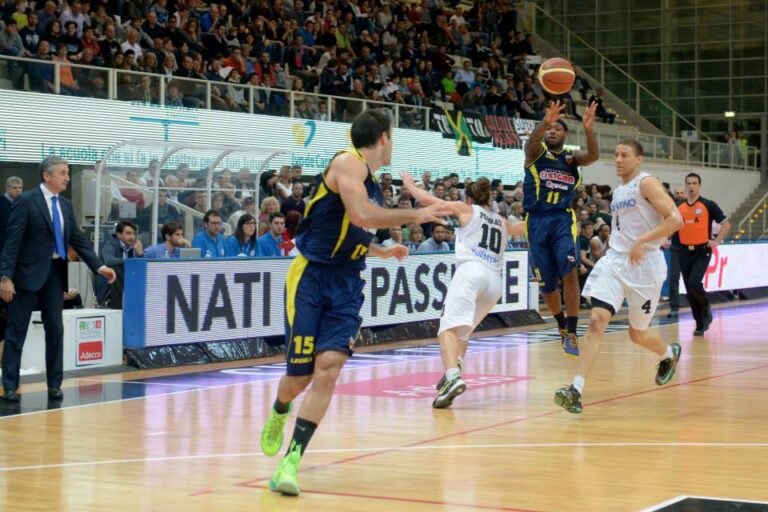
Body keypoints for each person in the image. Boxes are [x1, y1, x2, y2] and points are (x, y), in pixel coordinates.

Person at [260, 109, 452, 496]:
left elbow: (350, 228)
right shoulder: (348, 161)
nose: (393, 144)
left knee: (329, 367)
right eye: (393, 138)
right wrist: (420, 213)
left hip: (347, 282)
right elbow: (361, 214)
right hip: (311, 278)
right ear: (384, 138)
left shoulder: (370, 181)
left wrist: (380, 251)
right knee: (299, 379)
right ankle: (280, 410)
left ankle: (291, 461)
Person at [554, 140, 684, 414]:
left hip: (644, 264)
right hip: (615, 261)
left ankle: (667, 353)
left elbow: (675, 220)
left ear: (639, 159)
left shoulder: (646, 183)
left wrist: (642, 241)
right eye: (616, 154)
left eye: (625, 155)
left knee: (637, 334)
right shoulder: (619, 191)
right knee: (597, 322)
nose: (618, 159)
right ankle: (576, 388)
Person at [402, 173, 524, 408]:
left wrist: (409, 186)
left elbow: (431, 202)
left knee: (446, 328)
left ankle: (452, 377)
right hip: (494, 283)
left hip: (472, 271)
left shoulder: (467, 209)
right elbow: (520, 230)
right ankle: (455, 365)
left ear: (469, 198)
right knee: (462, 333)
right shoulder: (502, 221)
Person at [0, 157, 116, 402]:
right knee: (16, 331)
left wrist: (100, 266)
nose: (67, 177)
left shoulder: (64, 205)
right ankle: (10, 385)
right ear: (47, 176)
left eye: (67, 173)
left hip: (54, 274)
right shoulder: (25, 201)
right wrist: (5, 276)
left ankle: (54, 384)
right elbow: (12, 243)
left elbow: (78, 239)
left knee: (55, 329)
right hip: (25, 275)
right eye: (62, 173)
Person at [523, 99, 598, 357]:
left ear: (565, 134)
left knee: (570, 272)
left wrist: (588, 129)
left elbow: (593, 156)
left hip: (563, 219)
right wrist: (544, 121)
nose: (552, 131)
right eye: (549, 128)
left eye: (557, 128)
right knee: (548, 285)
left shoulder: (571, 158)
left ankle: (574, 331)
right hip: (536, 221)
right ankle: (562, 326)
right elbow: (530, 144)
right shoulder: (536, 153)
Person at [677, 173, 730, 336]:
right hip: (684, 251)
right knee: (689, 289)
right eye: (689, 183)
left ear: (699, 185)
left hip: (702, 251)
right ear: (685, 185)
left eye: (694, 183)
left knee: (694, 282)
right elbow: (670, 224)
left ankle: (706, 307)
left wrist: (716, 240)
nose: (691, 186)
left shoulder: (708, 204)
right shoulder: (679, 206)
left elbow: (726, 224)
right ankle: (700, 324)